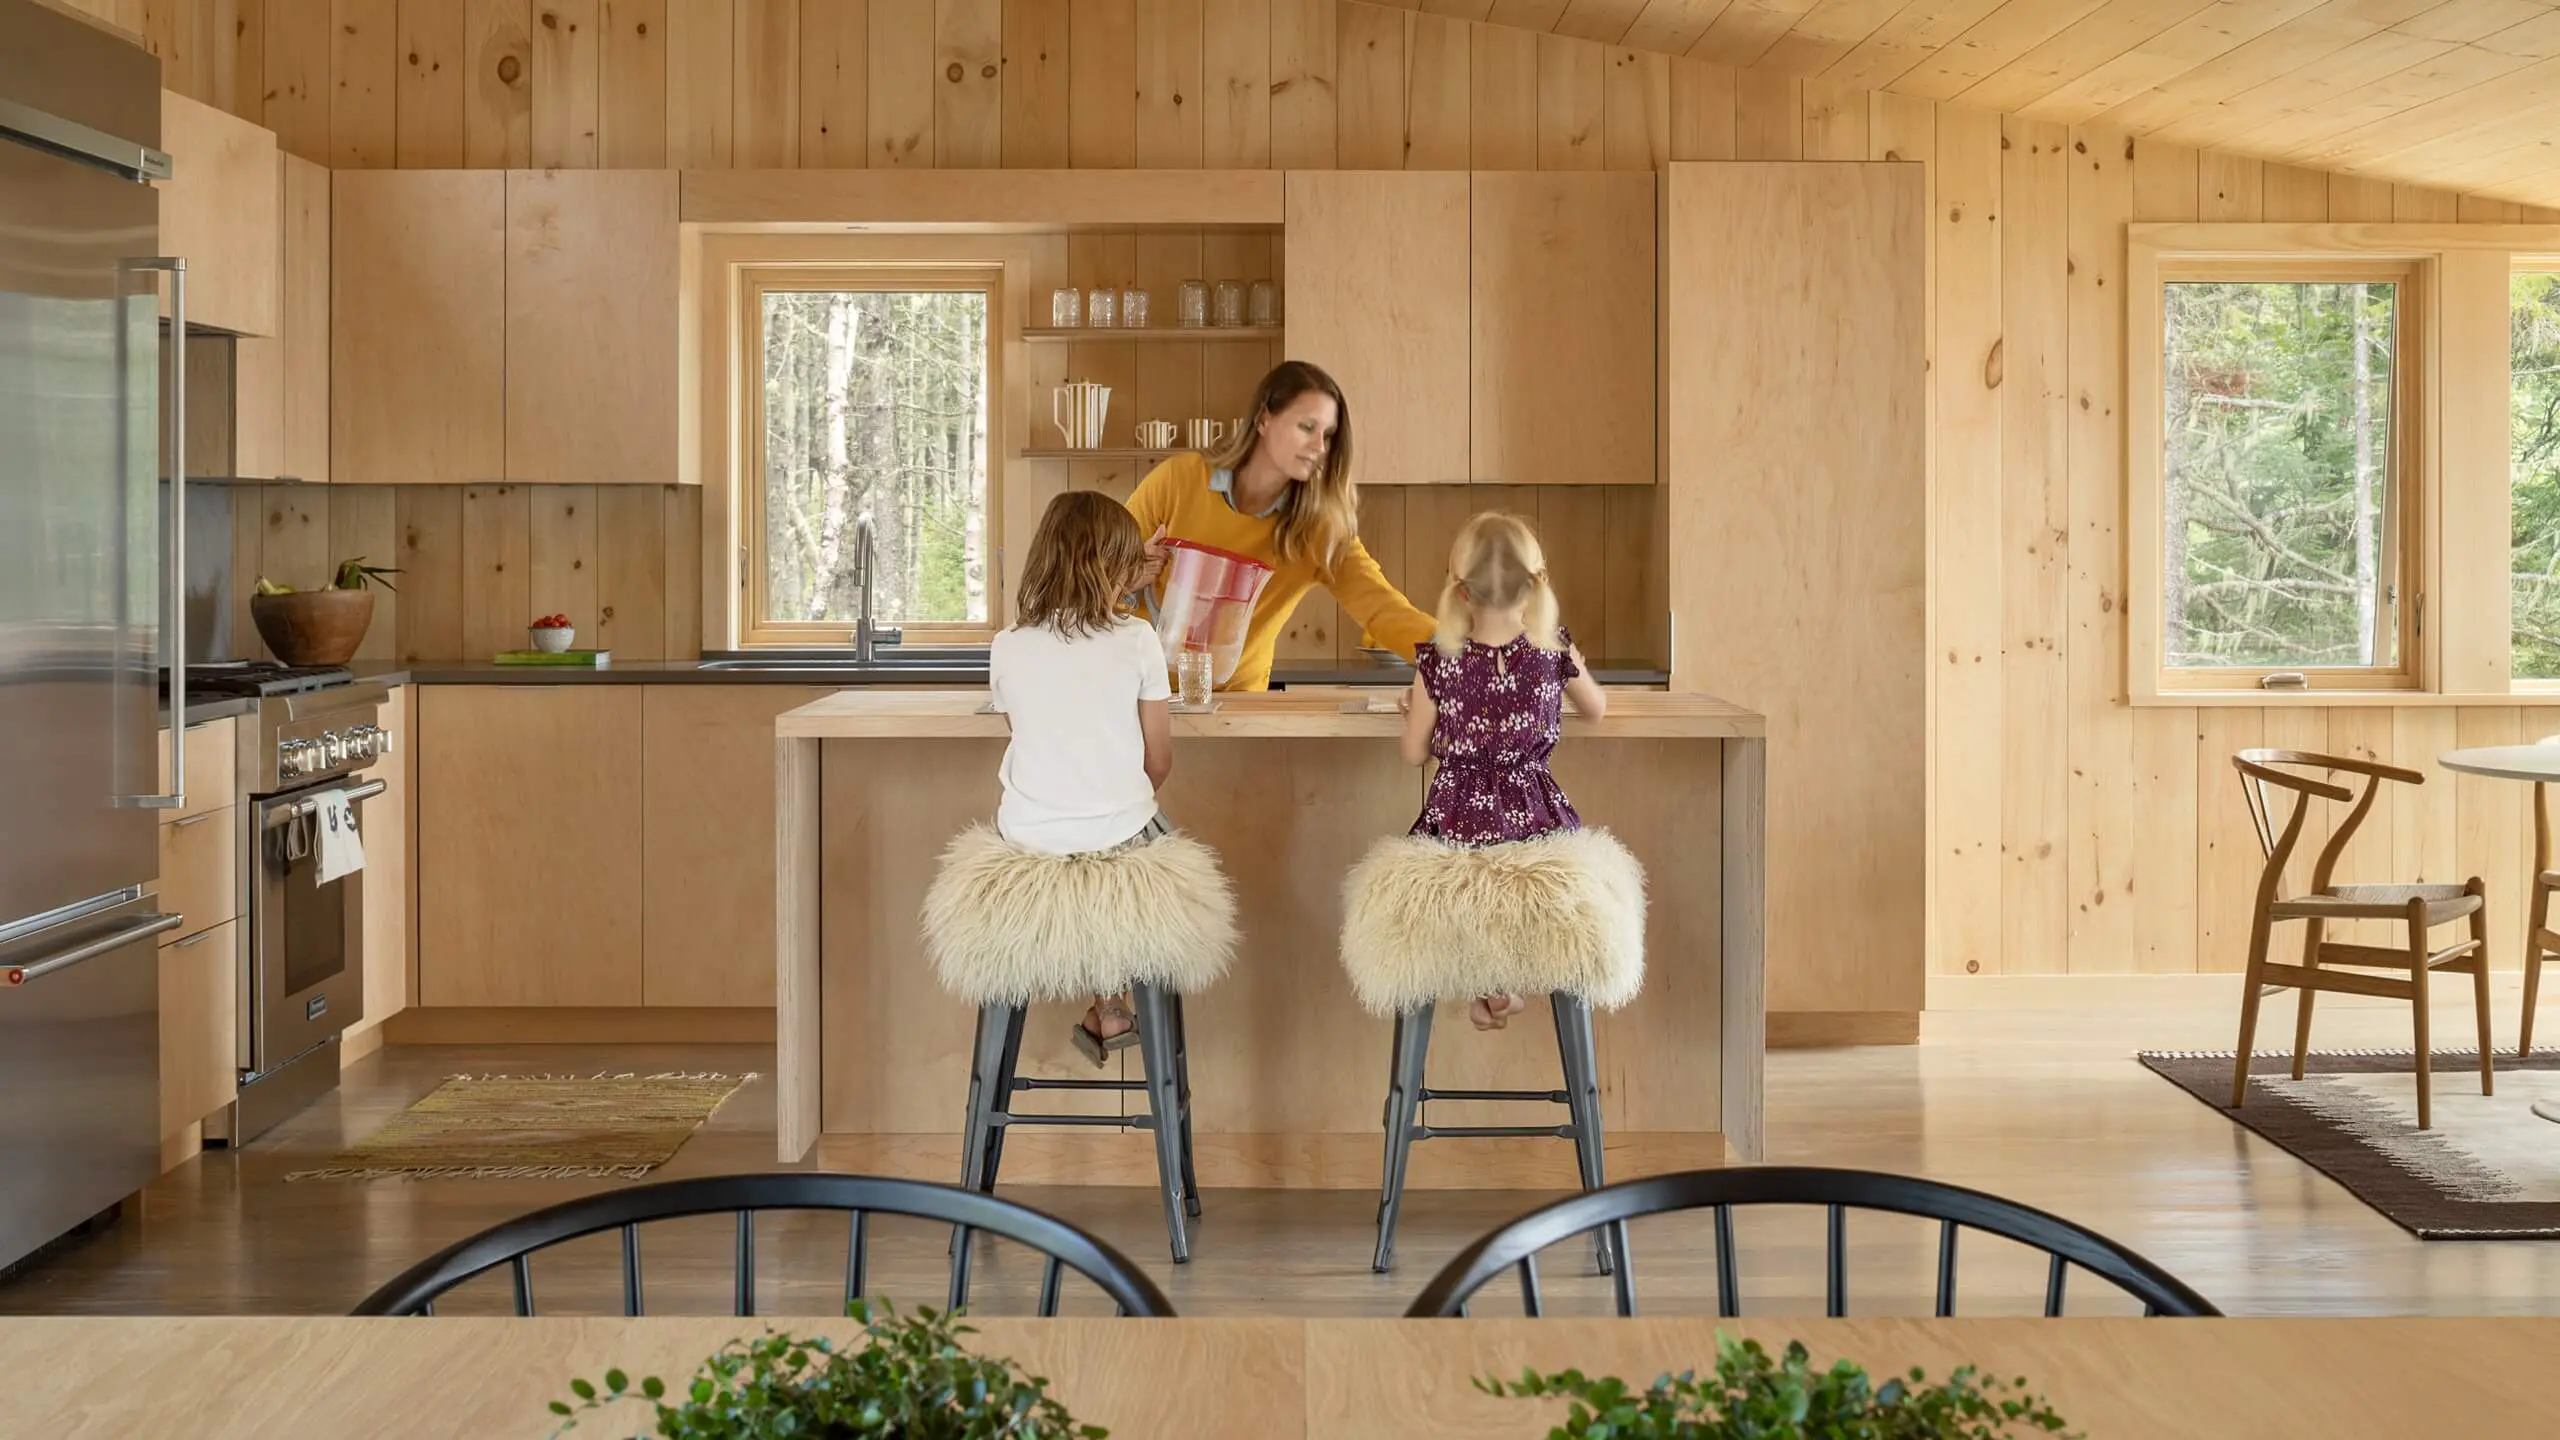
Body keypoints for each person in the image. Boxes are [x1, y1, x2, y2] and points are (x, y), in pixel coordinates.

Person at [1398, 512, 1609, 1031]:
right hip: (1534, 824)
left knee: (1471, 880)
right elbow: (1596, 709)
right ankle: (1500, 985)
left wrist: (1421, 713)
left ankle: (1486, 984)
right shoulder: (1552, 649)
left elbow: (1413, 754)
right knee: (1512, 880)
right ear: (1534, 587)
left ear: (1461, 591)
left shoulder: (1440, 662)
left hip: (1459, 822)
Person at [987, 490, 1174, 1064]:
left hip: (1027, 841)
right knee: (1126, 838)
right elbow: (1158, 761)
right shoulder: (1139, 638)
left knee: (1080, 831)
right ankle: (1112, 999)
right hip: (1117, 833)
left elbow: (1037, 739)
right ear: (1116, 569)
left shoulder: (1007, 645)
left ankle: (1108, 1005)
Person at [1126, 360, 1435, 691]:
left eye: (1328, 435)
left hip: (1238, 709)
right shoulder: (1176, 481)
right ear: (1263, 419)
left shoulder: (1319, 529)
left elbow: (1383, 609)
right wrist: (1127, 575)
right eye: (1306, 426)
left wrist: (1474, 661)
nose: (1319, 447)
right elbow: (1088, 581)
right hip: (1142, 692)